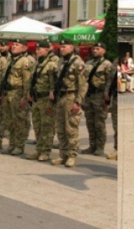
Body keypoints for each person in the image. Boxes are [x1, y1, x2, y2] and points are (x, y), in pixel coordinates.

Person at [50, 39, 87, 167]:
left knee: (71, 128)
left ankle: (71, 155)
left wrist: (78, 102)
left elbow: (82, 84)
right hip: (60, 96)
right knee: (60, 128)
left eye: (64, 46)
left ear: (72, 47)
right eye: (61, 47)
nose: (62, 49)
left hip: (71, 96)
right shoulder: (61, 61)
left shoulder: (78, 62)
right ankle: (62, 154)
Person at [26, 40, 60, 161]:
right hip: (36, 98)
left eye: (40, 49)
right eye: (37, 49)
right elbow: (32, 80)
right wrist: (29, 92)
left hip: (46, 99)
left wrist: (52, 102)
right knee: (37, 125)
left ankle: (46, 151)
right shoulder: (36, 63)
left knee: (47, 126)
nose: (37, 51)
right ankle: (39, 149)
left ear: (47, 50)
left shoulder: (51, 64)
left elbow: (54, 84)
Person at [0, 38, 34, 155]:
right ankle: (12, 144)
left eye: (17, 45)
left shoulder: (25, 61)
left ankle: (19, 146)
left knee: (20, 121)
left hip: (18, 93)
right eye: (13, 44)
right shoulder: (10, 60)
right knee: (9, 121)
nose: (13, 46)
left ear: (24, 48)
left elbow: (27, 81)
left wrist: (25, 97)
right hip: (8, 93)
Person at [81, 42, 113, 156]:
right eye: (94, 49)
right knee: (90, 122)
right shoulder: (88, 63)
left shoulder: (107, 64)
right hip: (89, 96)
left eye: (98, 49)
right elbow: (83, 78)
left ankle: (100, 147)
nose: (95, 51)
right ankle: (92, 145)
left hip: (99, 96)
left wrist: (107, 96)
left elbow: (109, 81)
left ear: (103, 50)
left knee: (99, 123)